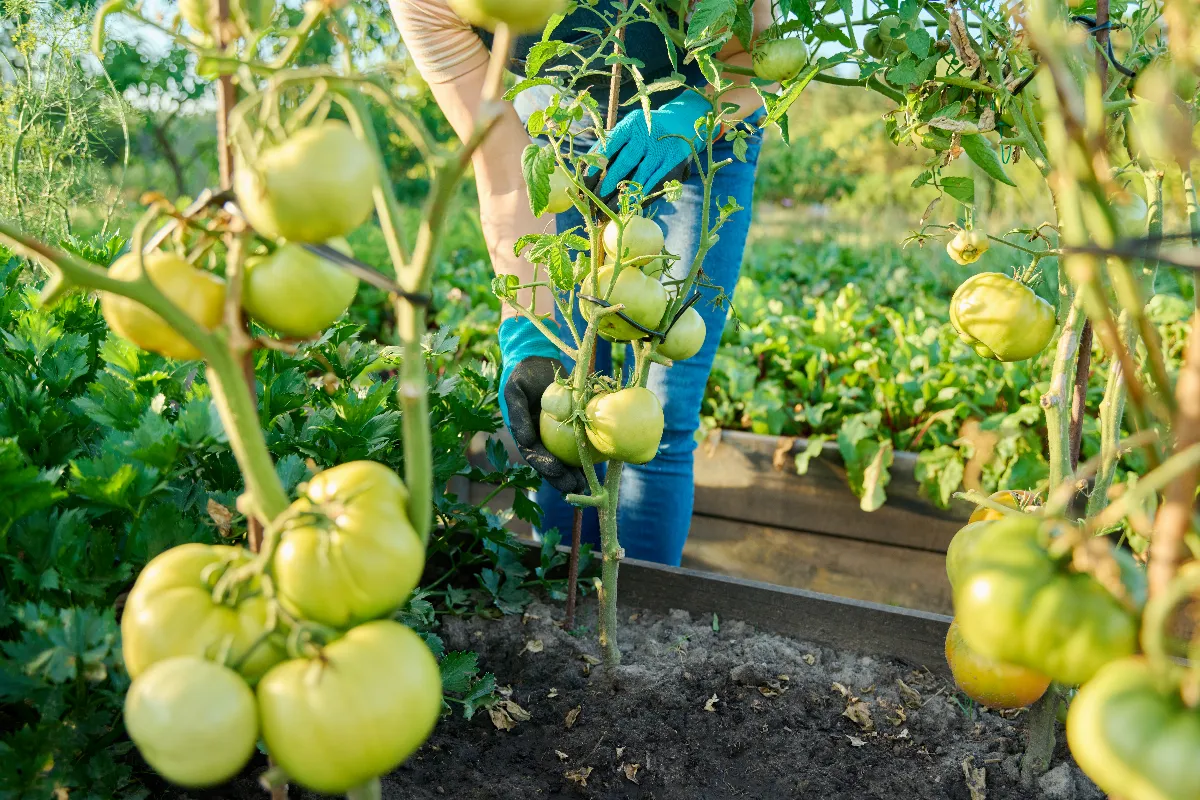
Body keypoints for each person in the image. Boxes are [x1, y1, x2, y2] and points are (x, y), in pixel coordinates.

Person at [393, 0, 774, 566]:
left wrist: (691, 114)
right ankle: (566, 600)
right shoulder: (424, 4)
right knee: (565, 409)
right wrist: (529, 331)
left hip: (707, 124)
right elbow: (503, 168)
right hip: (554, 136)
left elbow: (757, 58)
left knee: (658, 410)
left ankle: (641, 607)